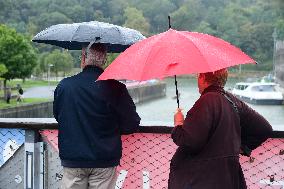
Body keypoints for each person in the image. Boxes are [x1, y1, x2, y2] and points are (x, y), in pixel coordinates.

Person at [53, 43, 141, 189]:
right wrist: (111, 129)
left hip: (73, 158)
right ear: (105, 60)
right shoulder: (116, 87)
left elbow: (59, 116)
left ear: (83, 58)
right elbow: (131, 124)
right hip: (104, 159)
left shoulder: (64, 86)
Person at [168, 68, 273, 189]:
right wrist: (240, 147)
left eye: (198, 76)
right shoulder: (231, 100)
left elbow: (189, 142)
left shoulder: (206, 100)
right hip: (228, 176)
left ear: (202, 77)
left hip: (201, 178)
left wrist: (178, 123)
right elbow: (264, 128)